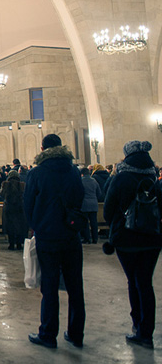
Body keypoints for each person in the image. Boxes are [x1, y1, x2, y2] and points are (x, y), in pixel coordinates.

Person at [24, 134, 85, 349]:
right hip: (71, 234)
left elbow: (28, 204)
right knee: (75, 285)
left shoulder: (37, 173)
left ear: (42, 149)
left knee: (49, 287)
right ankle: (77, 334)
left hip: (48, 236)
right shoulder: (73, 171)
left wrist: (37, 224)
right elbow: (80, 197)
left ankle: (48, 334)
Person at [104, 140, 162, 349]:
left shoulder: (121, 178)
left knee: (133, 281)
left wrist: (118, 225)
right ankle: (146, 333)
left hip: (126, 240)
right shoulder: (154, 178)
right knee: (145, 283)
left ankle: (137, 325)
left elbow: (108, 211)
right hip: (153, 240)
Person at [1, 171, 27, 250]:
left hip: (9, 208)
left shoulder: (5, 184)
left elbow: (1, 194)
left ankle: (11, 244)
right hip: (20, 208)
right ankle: (19, 244)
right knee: (19, 226)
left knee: (10, 226)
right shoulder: (22, 185)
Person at [80, 167, 103, 244]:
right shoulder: (94, 181)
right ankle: (95, 238)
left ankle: (87, 238)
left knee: (85, 222)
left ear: (82, 174)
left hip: (84, 204)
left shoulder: (81, 181)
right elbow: (99, 193)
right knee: (94, 222)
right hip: (94, 203)